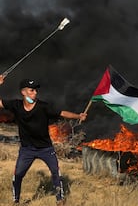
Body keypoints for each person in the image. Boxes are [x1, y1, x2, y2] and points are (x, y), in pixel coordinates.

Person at [0, 74, 87, 205]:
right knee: (18, 175)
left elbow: (62, 113)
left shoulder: (43, 106)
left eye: (36, 90)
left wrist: (78, 116)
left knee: (55, 173)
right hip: (27, 149)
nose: (35, 93)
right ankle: (16, 201)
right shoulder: (15, 105)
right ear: (23, 92)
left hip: (45, 148)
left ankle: (60, 200)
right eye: (31, 90)